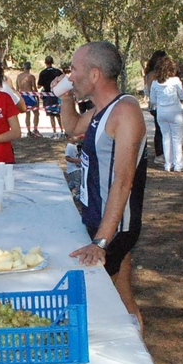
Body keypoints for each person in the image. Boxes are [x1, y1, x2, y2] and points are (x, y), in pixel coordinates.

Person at [56, 41, 147, 330]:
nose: (71, 76)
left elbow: (123, 180)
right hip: (97, 218)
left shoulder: (125, 111)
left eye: (74, 70)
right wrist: (65, 98)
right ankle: (140, 351)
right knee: (124, 302)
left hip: (115, 228)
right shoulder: (100, 110)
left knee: (90, 306)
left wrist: (101, 241)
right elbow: (72, 128)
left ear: (95, 75)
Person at [149, 55, 183, 173]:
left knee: (166, 137)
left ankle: (167, 164)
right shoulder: (175, 81)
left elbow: (153, 100)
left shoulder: (155, 83)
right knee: (176, 138)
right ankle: (178, 164)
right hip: (174, 111)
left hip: (161, 112)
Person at [143, 50, 167, 164]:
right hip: (158, 105)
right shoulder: (153, 75)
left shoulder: (150, 73)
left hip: (156, 105)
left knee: (161, 129)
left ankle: (162, 152)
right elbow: (151, 90)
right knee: (160, 130)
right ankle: (160, 154)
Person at [38, 56, 63, 138]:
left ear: (45, 63)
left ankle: (54, 132)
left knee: (51, 115)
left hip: (48, 95)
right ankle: (62, 131)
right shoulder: (58, 71)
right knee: (59, 114)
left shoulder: (43, 73)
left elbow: (39, 85)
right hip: (57, 94)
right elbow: (63, 80)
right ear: (52, 62)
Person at [17, 62, 42, 138]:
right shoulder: (31, 76)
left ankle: (28, 131)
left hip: (22, 95)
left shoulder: (19, 76)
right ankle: (35, 129)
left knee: (27, 114)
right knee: (36, 113)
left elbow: (17, 88)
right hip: (30, 95)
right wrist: (37, 97)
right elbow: (34, 88)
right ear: (30, 68)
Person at [64, 133, 81, 200]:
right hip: (73, 169)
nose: (78, 137)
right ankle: (78, 195)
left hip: (77, 168)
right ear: (69, 137)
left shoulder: (76, 145)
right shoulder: (69, 146)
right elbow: (67, 158)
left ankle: (66, 190)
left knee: (73, 182)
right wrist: (77, 160)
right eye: (76, 135)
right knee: (78, 182)